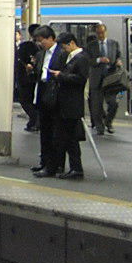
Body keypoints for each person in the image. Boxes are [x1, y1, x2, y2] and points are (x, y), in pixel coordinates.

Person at [43, 30, 90, 179]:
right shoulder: (72, 57)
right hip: (66, 105)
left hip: (72, 105)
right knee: (68, 139)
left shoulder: (81, 58)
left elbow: (81, 79)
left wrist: (60, 75)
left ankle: (67, 169)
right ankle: (73, 168)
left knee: (65, 138)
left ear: (71, 43)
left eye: (64, 47)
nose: (63, 50)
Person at [29, 26, 64, 176]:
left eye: (42, 40)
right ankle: (44, 162)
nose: (40, 43)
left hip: (55, 94)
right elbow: (39, 73)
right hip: (42, 91)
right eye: (38, 41)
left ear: (51, 38)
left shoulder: (62, 53)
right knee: (44, 130)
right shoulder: (40, 53)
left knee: (55, 133)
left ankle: (54, 166)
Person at [89, 21, 123, 135]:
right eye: (98, 33)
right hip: (96, 79)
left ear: (105, 32)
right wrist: (99, 60)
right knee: (96, 106)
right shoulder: (91, 45)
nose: (101, 35)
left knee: (113, 103)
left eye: (102, 33)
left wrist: (118, 61)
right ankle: (100, 127)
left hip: (111, 79)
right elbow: (88, 60)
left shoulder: (114, 43)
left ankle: (108, 122)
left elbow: (118, 55)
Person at [15, 27, 41, 132]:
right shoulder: (41, 48)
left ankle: (35, 121)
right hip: (36, 79)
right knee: (32, 101)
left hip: (25, 79)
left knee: (25, 100)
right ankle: (34, 121)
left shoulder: (25, 46)